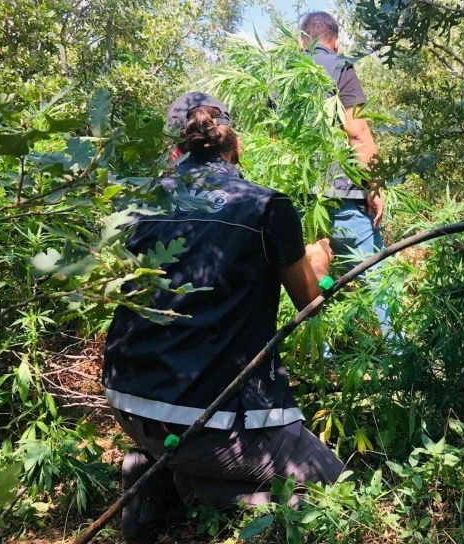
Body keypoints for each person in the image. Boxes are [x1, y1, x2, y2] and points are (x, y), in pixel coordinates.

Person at [102, 92, 344, 543]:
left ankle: (151, 466)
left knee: (182, 440)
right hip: (206, 425)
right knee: (335, 491)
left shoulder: (136, 203)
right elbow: (310, 302)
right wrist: (319, 265)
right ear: (236, 147)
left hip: (126, 402)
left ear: (175, 151)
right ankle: (188, 484)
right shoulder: (266, 206)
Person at [300, 11, 394, 342]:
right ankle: (406, 364)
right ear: (335, 40)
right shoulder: (339, 67)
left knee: (311, 276)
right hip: (342, 193)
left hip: (300, 198)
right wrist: (375, 185)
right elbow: (358, 134)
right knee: (377, 275)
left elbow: (271, 141)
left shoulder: (278, 77)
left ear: (302, 41)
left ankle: (319, 361)